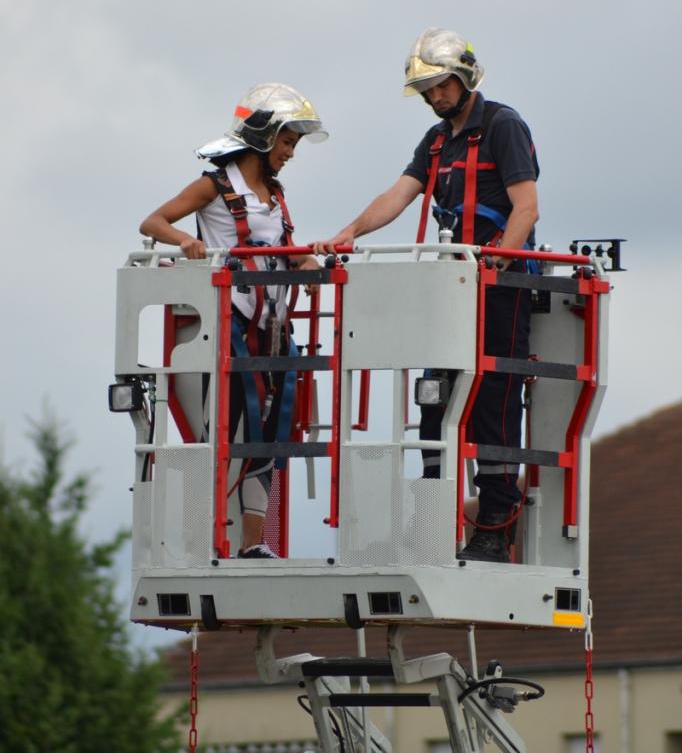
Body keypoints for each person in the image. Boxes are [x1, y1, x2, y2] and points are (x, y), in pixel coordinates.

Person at [315, 28, 539, 563]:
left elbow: (525, 208)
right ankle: (433, 520)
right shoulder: (438, 140)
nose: (435, 98)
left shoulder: (503, 125)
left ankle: (493, 527)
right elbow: (400, 192)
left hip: (498, 288)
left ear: (464, 78)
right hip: (451, 288)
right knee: (436, 403)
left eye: (441, 86)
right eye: (427, 90)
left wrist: (500, 262)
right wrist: (350, 232)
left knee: (494, 405)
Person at [140, 83, 327, 559]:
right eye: (287, 142)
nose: (290, 153)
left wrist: (309, 268)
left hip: (272, 331)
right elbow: (153, 222)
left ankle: (251, 545)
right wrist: (186, 242)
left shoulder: (276, 195)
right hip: (231, 331)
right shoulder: (216, 184)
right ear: (264, 138)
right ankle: (209, 539)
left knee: (269, 435)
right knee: (230, 430)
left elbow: (283, 253)